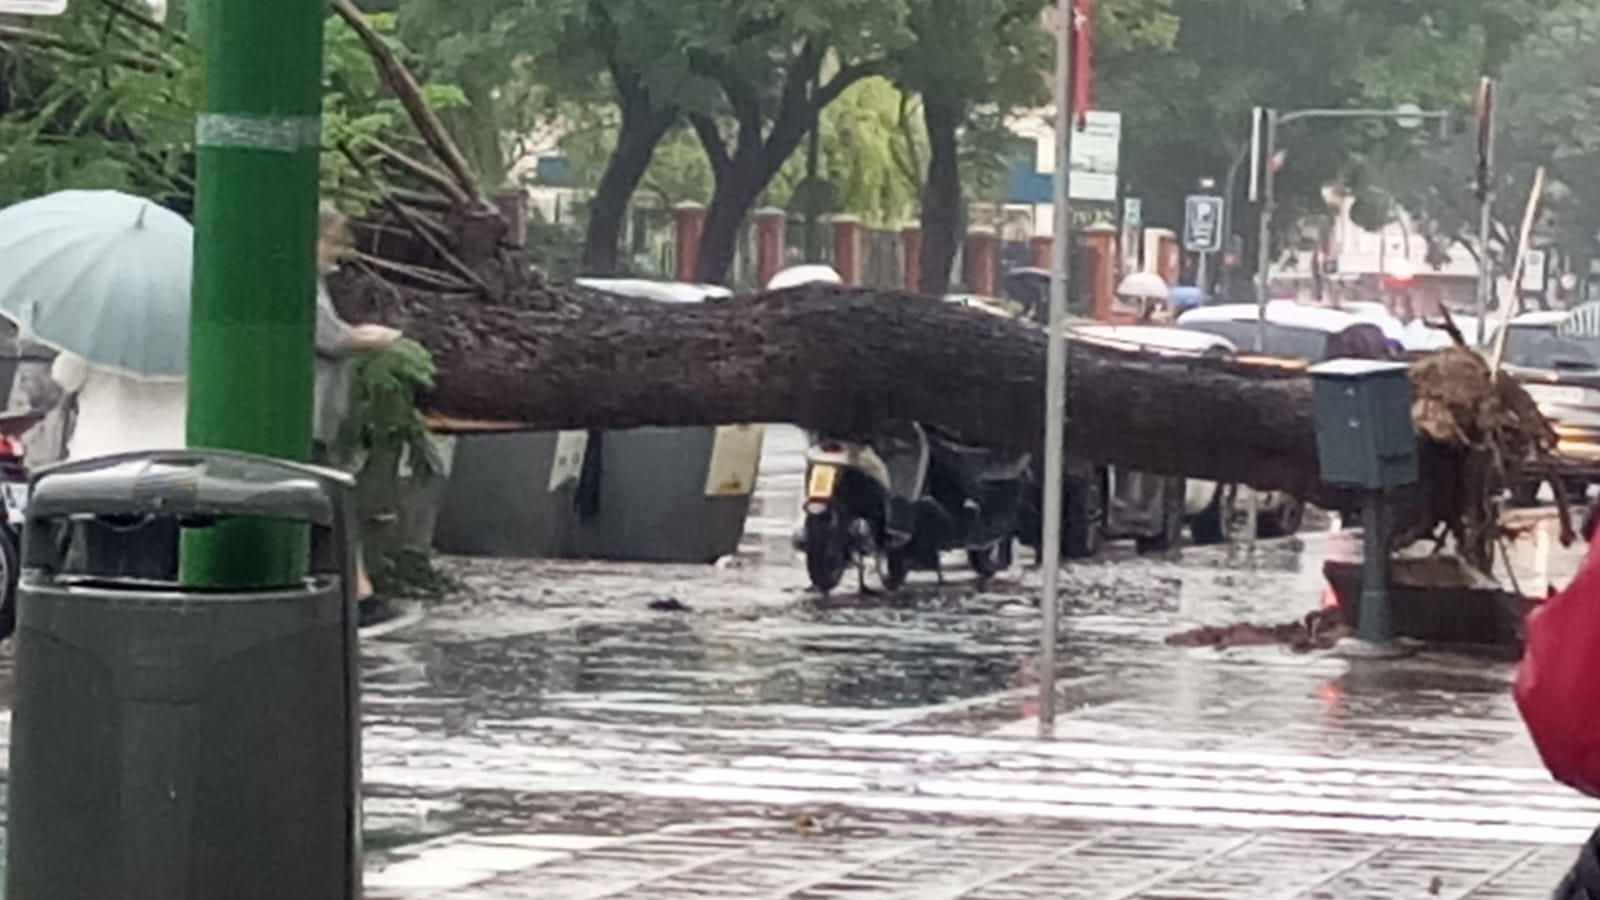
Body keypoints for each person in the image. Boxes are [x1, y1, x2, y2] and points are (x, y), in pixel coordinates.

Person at [315, 204, 403, 626]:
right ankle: (359, 595)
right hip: (314, 414)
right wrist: (372, 339)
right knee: (333, 503)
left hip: (322, 414)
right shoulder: (302, 283)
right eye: (332, 240)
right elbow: (329, 338)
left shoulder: (316, 282)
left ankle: (353, 591)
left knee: (330, 504)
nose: (337, 251)